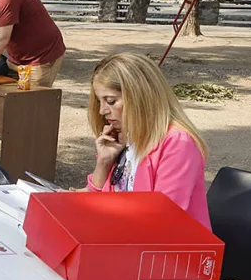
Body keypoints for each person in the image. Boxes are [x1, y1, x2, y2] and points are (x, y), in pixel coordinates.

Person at [85, 53, 211, 228]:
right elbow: (92, 203)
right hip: (128, 238)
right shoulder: (124, 136)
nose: (102, 111)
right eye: (100, 102)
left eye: (111, 101)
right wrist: (104, 163)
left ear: (139, 98)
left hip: (164, 249)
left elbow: (162, 218)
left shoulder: (178, 144)